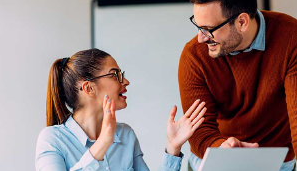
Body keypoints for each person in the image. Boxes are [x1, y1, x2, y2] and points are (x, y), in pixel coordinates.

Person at [178, 0, 297, 170]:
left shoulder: (292, 38)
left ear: (242, 22)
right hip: (217, 158)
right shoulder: (194, 56)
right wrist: (222, 147)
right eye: (198, 26)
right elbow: (199, 131)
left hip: (277, 160)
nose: (201, 37)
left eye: (209, 29)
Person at [36, 49, 207, 171]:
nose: (125, 81)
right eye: (115, 74)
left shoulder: (126, 135)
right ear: (89, 88)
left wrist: (173, 147)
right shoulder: (52, 139)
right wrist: (101, 145)